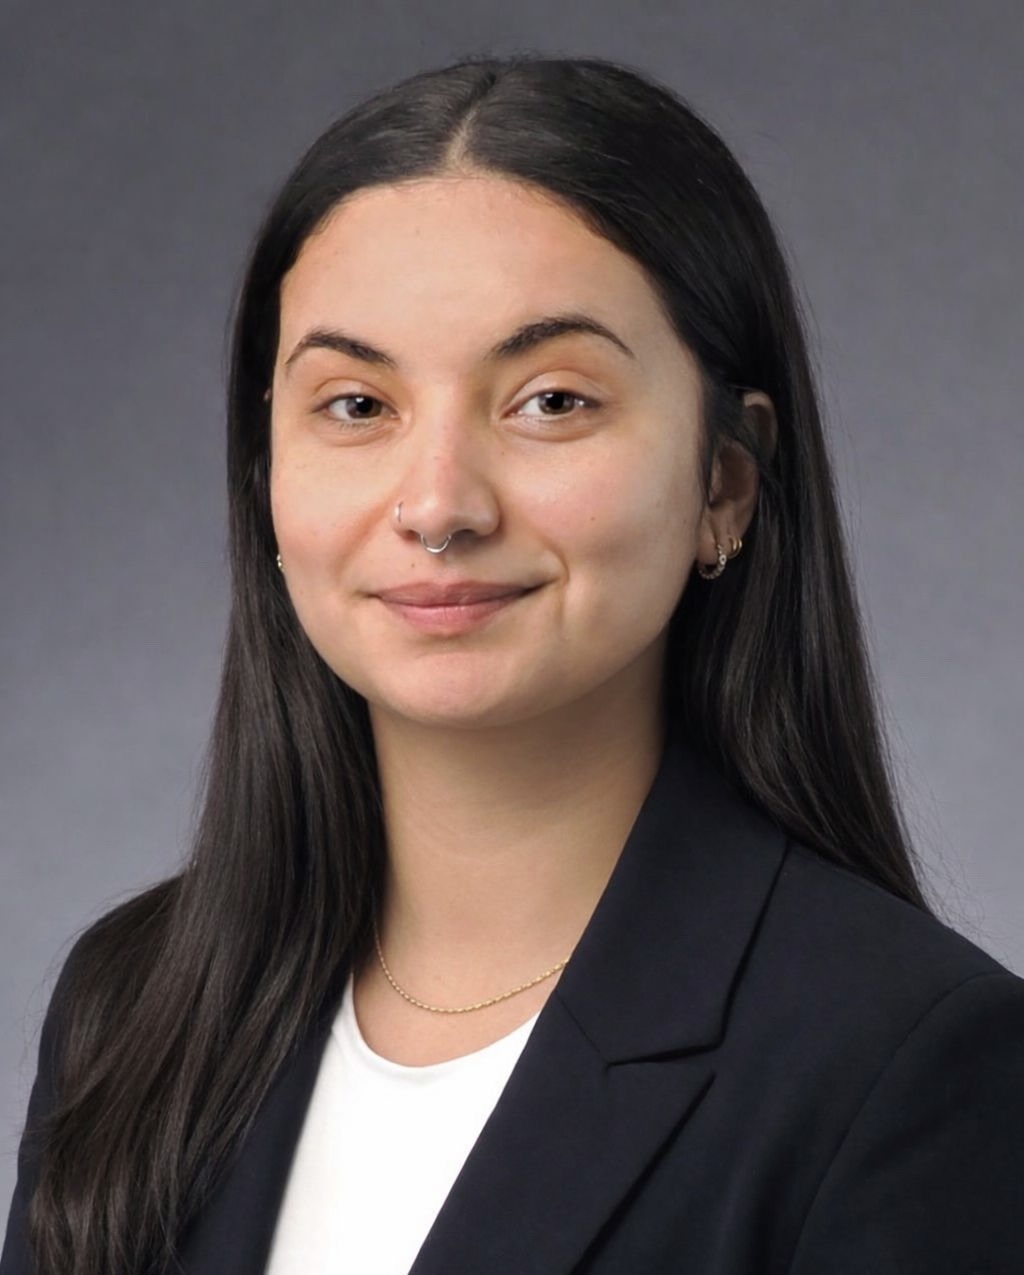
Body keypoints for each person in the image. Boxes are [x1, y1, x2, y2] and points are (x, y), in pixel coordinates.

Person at [2, 52, 1022, 1275]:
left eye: (550, 401)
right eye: (356, 406)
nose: (438, 505)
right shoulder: (130, 1005)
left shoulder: (899, 1063)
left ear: (723, 484)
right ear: (265, 480)